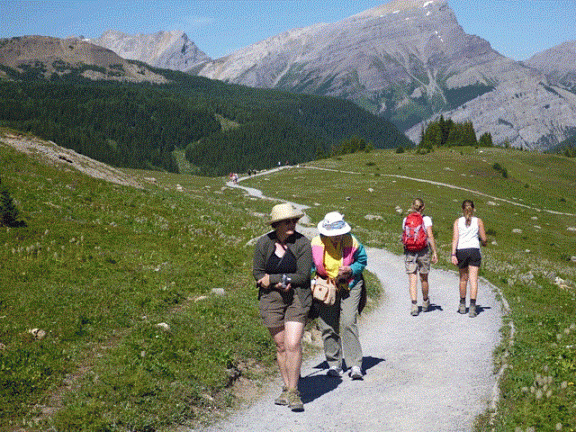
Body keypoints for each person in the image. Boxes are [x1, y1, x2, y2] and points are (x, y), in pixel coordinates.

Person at [252, 203, 312, 411]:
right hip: (271, 299)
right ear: (277, 224)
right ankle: (287, 388)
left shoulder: (303, 243)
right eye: (288, 221)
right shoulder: (263, 243)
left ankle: (294, 391)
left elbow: (303, 275)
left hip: (297, 296)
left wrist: (276, 278)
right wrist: (269, 282)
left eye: (294, 220)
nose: (292, 224)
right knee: (281, 345)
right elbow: (258, 273)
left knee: (293, 343)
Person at [311, 212, 367, 380]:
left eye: (338, 234)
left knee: (349, 321)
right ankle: (334, 363)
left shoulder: (353, 241)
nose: (336, 237)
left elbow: (362, 261)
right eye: (332, 235)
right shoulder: (315, 243)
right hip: (326, 287)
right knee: (328, 324)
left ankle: (355, 364)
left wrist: (351, 269)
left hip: (350, 284)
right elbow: (311, 266)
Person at [451, 199, 488, 318]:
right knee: (473, 280)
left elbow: (455, 239)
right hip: (474, 250)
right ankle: (472, 307)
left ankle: (462, 305)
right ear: (474, 209)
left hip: (461, 251)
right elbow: (484, 238)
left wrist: (453, 254)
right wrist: (484, 243)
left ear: (462, 209)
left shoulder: (457, 222)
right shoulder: (478, 221)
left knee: (463, 279)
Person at [402, 198, 438, 316]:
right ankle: (425, 301)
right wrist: (434, 252)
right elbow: (430, 235)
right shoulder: (426, 219)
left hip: (409, 251)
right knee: (424, 278)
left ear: (412, 206)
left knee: (412, 279)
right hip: (423, 251)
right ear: (423, 207)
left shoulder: (406, 219)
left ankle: (414, 305)